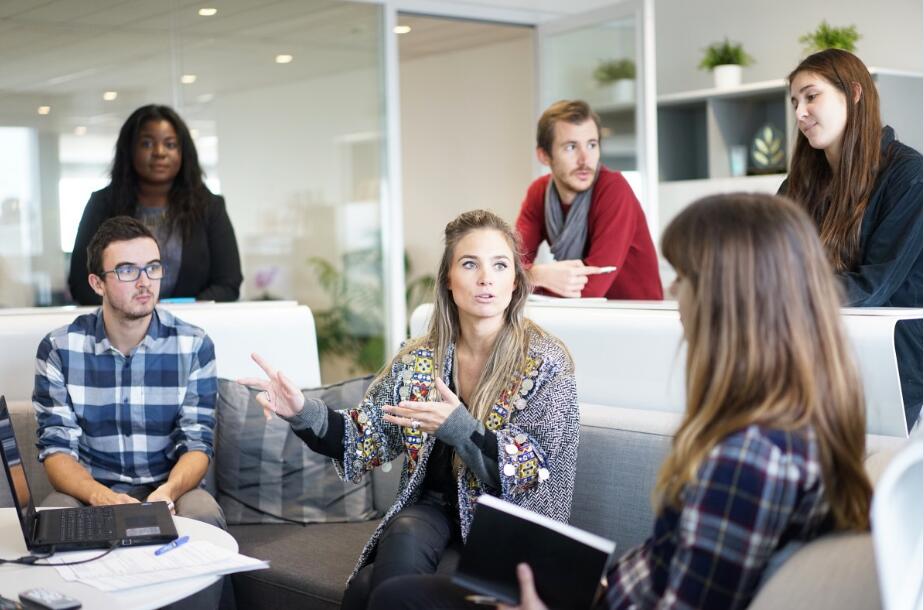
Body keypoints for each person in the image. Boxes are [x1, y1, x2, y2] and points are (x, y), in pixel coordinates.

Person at [376, 194, 874, 610]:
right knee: (390, 591)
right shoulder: (791, 425)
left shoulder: (748, 459)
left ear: (732, 298)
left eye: (684, 278)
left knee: (396, 600)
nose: (674, 293)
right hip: (606, 593)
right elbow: (673, 570)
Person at [242, 210, 579, 608]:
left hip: (509, 523)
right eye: (470, 264)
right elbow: (362, 436)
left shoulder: (545, 361)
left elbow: (530, 469)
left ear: (515, 282)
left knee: (370, 588)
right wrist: (301, 410)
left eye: (500, 265)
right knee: (403, 533)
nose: (486, 277)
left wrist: (459, 427)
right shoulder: (419, 359)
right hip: (433, 510)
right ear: (449, 281)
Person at [34, 216, 224, 529]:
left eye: (153, 267)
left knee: (203, 515)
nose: (144, 281)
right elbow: (56, 450)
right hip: (90, 489)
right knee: (53, 516)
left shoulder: (194, 345)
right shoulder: (59, 349)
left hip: (169, 488)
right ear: (98, 283)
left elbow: (197, 443)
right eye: (126, 270)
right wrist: (101, 496)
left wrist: (168, 492)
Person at [781, 48, 923, 431]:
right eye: (795, 102)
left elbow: (873, 286)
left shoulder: (909, 175)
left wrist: (780, 291)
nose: (800, 113)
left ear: (854, 93)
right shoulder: (797, 186)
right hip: (813, 359)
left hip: (889, 368)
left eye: (812, 96)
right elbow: (769, 263)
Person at [68, 104, 243, 305]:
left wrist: (178, 315)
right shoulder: (102, 205)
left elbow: (228, 284)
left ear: (183, 152)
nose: (159, 152)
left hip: (192, 327)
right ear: (129, 150)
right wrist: (133, 312)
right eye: (147, 144)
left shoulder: (210, 207)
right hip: (120, 329)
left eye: (170, 144)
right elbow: (81, 284)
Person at [514, 100, 662, 299]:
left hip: (636, 319)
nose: (585, 159)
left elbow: (591, 289)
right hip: (582, 317)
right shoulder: (539, 192)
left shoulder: (614, 189)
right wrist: (537, 274)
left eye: (592, 145)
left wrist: (528, 277)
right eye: (570, 147)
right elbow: (508, 266)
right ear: (544, 156)